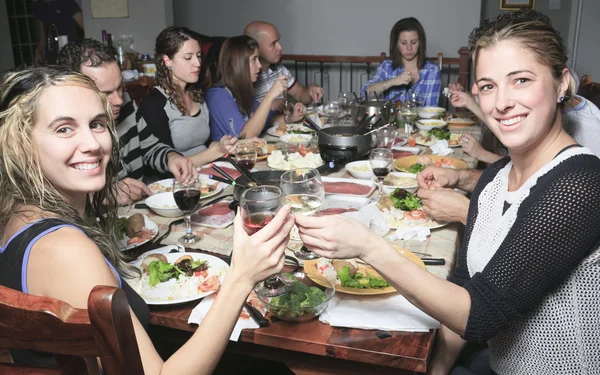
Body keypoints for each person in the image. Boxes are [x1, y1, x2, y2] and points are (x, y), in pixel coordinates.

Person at [296, 15, 600, 375]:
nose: (501, 103)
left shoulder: (580, 183)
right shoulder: (494, 179)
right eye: (487, 86)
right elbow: (461, 292)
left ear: (561, 82)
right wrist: (436, 369)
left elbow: (479, 315)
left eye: (521, 80)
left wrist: (368, 247)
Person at [0, 66, 295, 372]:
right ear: (19, 144)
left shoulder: (18, 218)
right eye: (64, 129)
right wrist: (241, 277)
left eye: (97, 124)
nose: (92, 144)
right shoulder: (64, 250)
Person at [58, 38, 196, 205]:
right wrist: (106, 196)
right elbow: (53, 198)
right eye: (106, 93)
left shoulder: (125, 103)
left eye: (119, 87)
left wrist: (171, 158)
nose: (118, 100)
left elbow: (150, 147)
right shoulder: (62, 133)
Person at [137, 26, 238, 173]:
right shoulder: (153, 103)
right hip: (177, 182)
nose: (197, 63)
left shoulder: (196, 94)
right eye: (188, 57)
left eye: (198, 56)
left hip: (207, 173)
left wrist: (234, 145)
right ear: (167, 61)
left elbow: (205, 143)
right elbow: (168, 164)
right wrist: (217, 151)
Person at [205, 35, 305, 140]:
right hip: (229, 155)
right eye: (254, 59)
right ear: (238, 64)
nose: (259, 65)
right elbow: (245, 136)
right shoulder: (217, 95)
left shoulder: (242, 90)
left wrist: (290, 118)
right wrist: (270, 96)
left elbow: (266, 120)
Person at [244, 21, 324, 111]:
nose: (280, 47)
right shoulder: (244, 77)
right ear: (256, 48)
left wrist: (310, 91)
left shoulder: (280, 70)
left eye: (278, 41)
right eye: (273, 44)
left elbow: (300, 94)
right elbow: (241, 115)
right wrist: (268, 105)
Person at [362, 17, 441, 106]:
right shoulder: (386, 66)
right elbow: (366, 94)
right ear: (396, 44)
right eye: (403, 43)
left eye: (414, 42)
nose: (409, 48)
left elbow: (432, 110)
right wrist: (392, 82)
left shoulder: (432, 70)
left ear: (420, 43)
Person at [33, 0, 84, 66]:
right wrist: (38, 50)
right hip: (52, 56)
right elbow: (43, 35)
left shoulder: (68, 3)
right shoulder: (40, 7)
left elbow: (85, 26)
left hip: (69, 53)